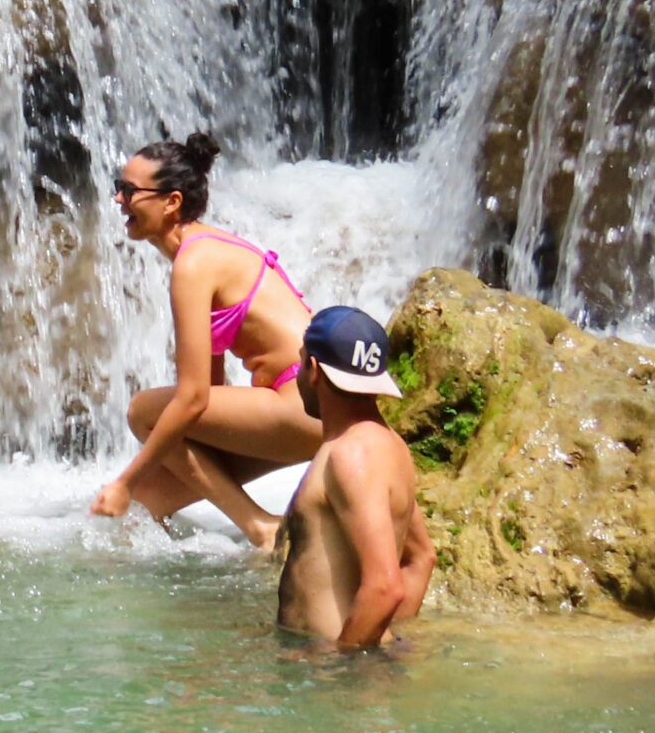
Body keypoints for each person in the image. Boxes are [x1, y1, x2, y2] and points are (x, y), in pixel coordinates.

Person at [89, 133, 320, 548]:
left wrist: (124, 480)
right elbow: (212, 393)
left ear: (171, 201)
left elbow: (193, 398)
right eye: (117, 188)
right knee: (146, 503)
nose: (118, 200)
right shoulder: (202, 253)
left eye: (128, 191)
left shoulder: (194, 263)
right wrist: (138, 486)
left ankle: (260, 526)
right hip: (310, 411)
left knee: (143, 411)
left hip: (300, 407)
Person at [278, 306, 435, 649]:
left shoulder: (352, 455)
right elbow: (421, 558)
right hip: (348, 665)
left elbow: (385, 587)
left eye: (300, 362)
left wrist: (343, 665)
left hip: (334, 678)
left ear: (314, 369)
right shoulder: (388, 444)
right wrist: (387, 645)